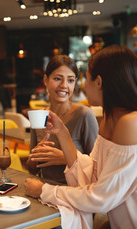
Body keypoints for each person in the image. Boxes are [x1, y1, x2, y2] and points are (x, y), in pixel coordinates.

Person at [24, 46, 137, 229]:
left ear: (99, 82)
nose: (81, 86)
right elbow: (92, 172)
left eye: (83, 78)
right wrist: (62, 133)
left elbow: (101, 197)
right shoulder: (111, 119)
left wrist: (44, 190)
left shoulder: (133, 123)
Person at [26, 55, 98, 183]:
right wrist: (34, 158)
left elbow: (97, 166)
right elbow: (32, 170)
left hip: (75, 193)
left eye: (70, 80)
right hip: (44, 191)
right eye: (58, 79)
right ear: (46, 80)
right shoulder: (39, 117)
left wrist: (64, 158)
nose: (64, 85)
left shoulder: (84, 115)